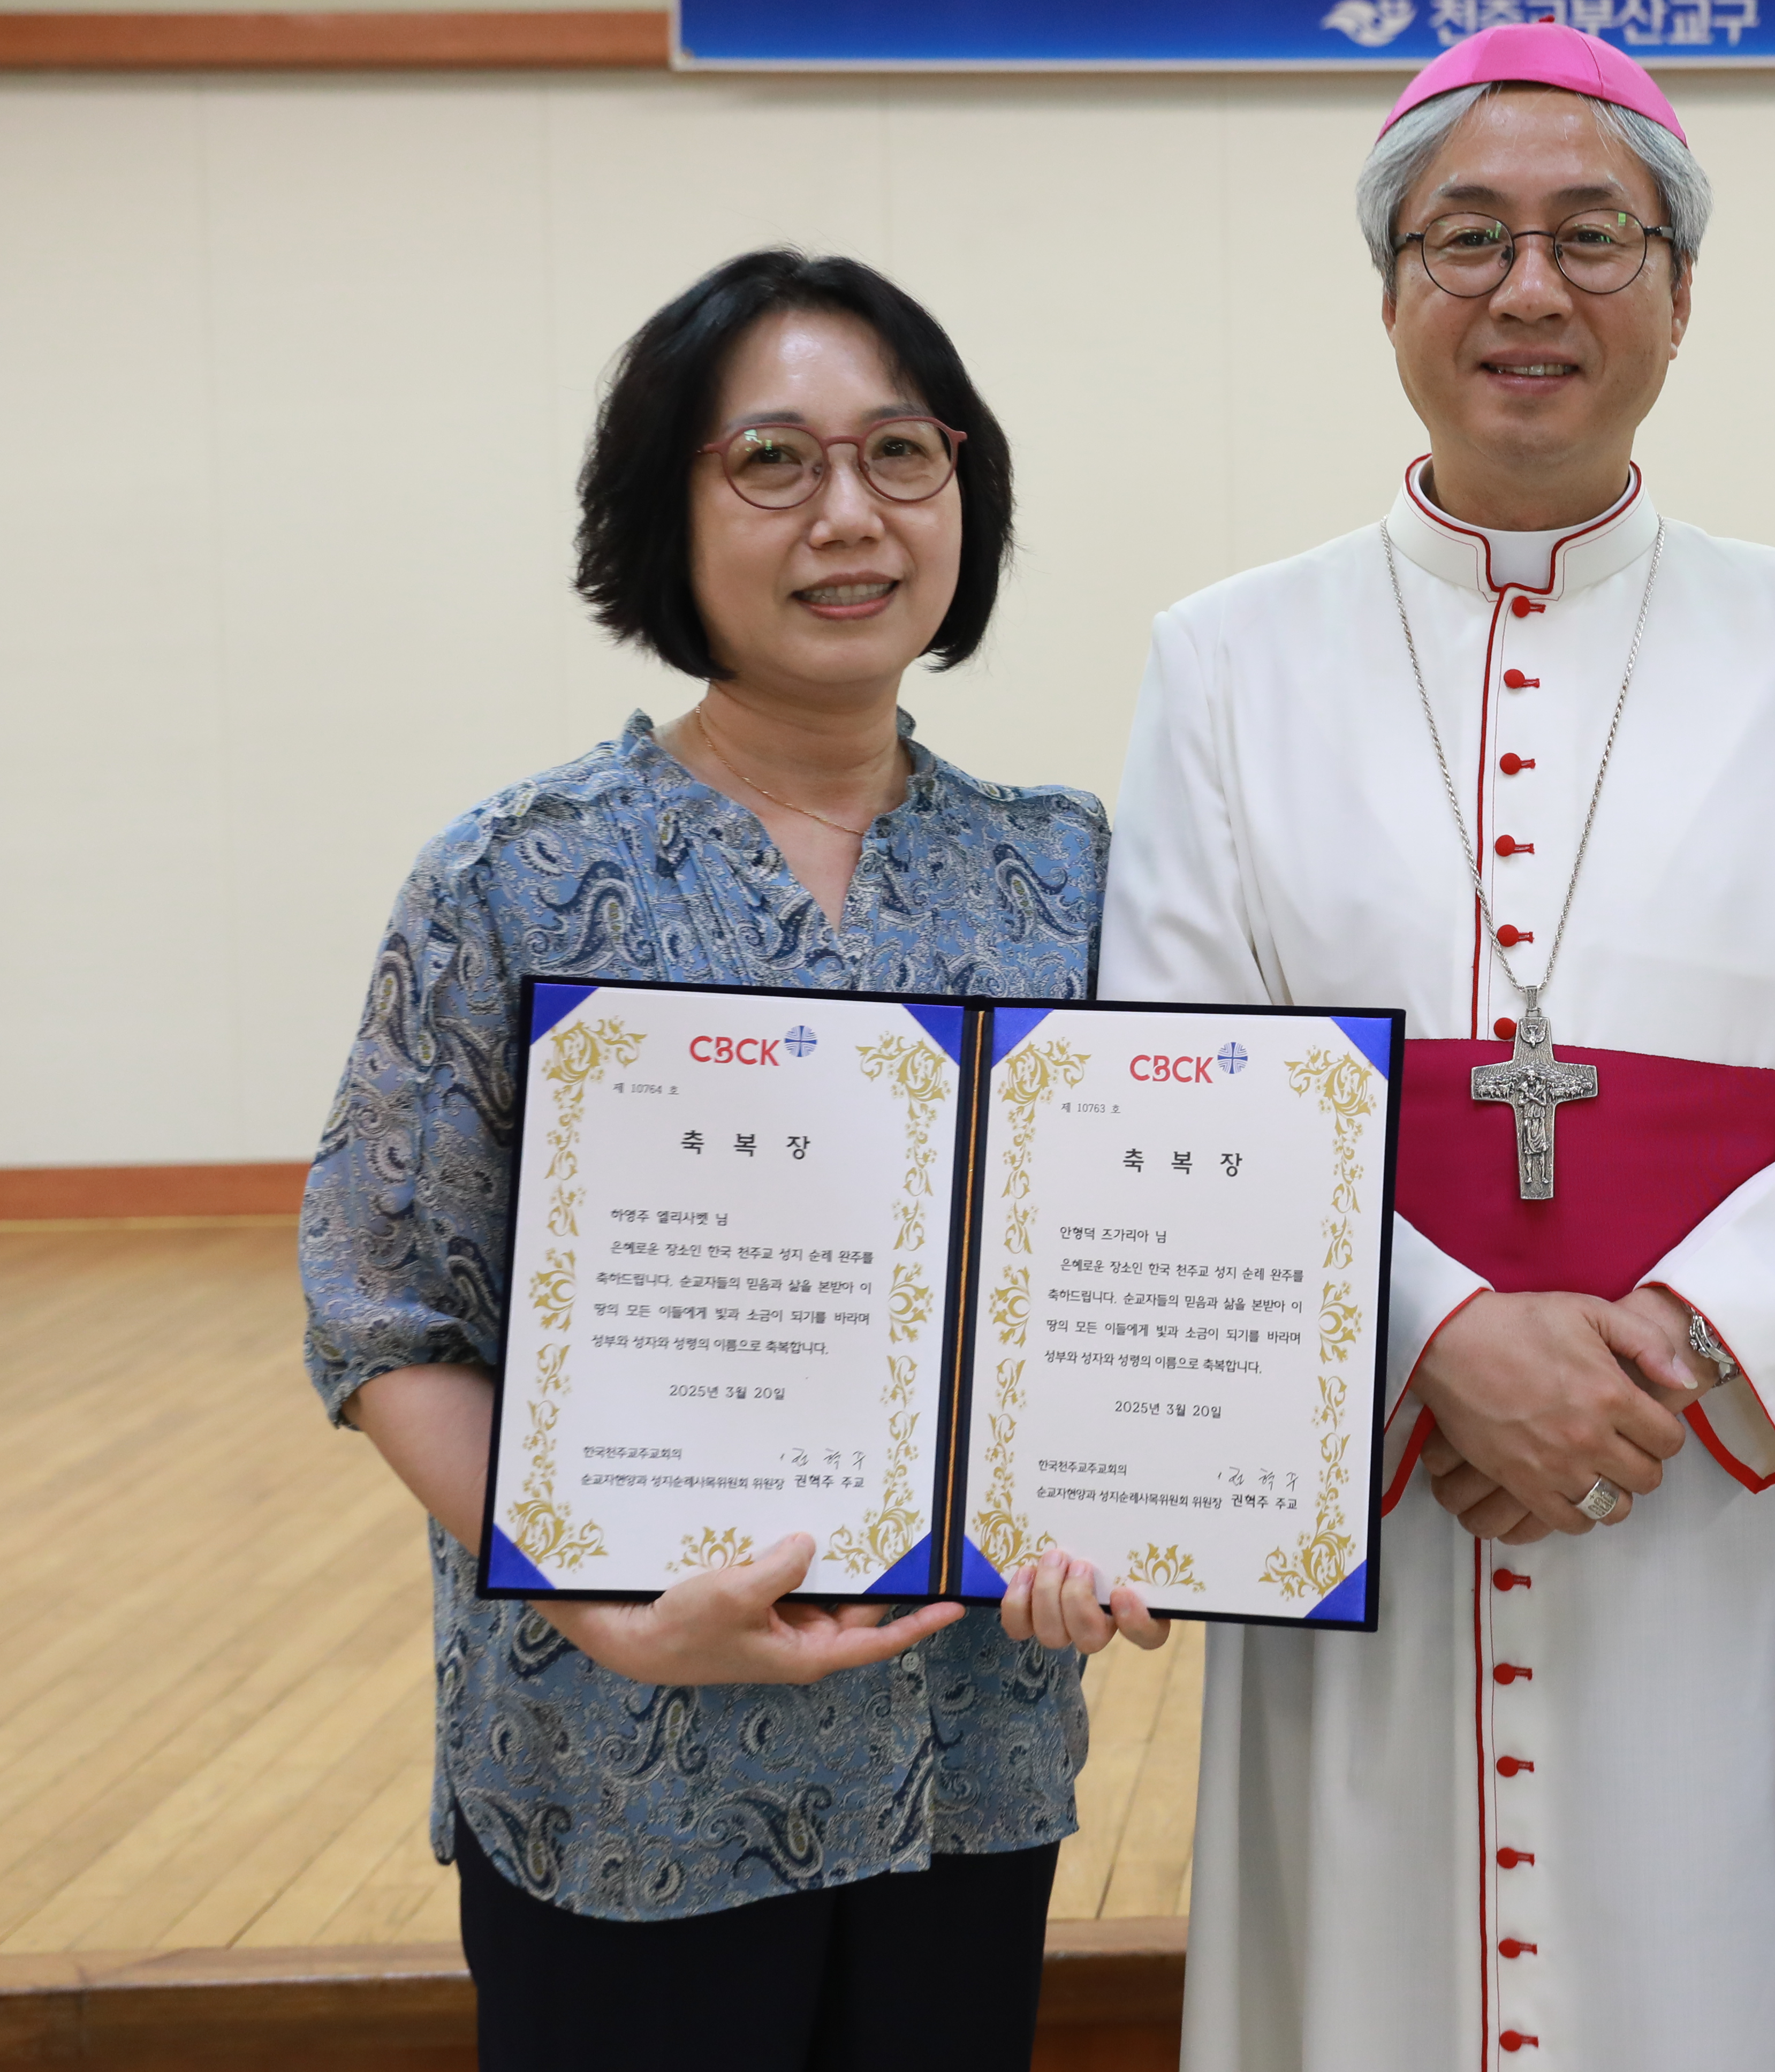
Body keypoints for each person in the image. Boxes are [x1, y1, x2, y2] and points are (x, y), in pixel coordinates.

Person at [1101, 23, 1775, 2072]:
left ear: (1681, 291)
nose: (1531, 290)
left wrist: (1672, 1347)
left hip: (1718, 1490)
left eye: (1596, 235)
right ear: (1391, 291)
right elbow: (1178, 1080)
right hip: (1375, 1488)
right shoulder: (1225, 660)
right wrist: (1439, 1344)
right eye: (1468, 239)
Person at [299, 249, 1163, 2072]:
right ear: (665, 515)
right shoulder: (513, 876)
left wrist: (1139, 1508)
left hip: (970, 1754)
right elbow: (384, 1325)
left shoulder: (1076, 875)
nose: (848, 514)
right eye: (772, 460)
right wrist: (612, 1611)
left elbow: (1117, 1306)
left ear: (964, 492)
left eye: (901, 455)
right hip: (628, 1769)